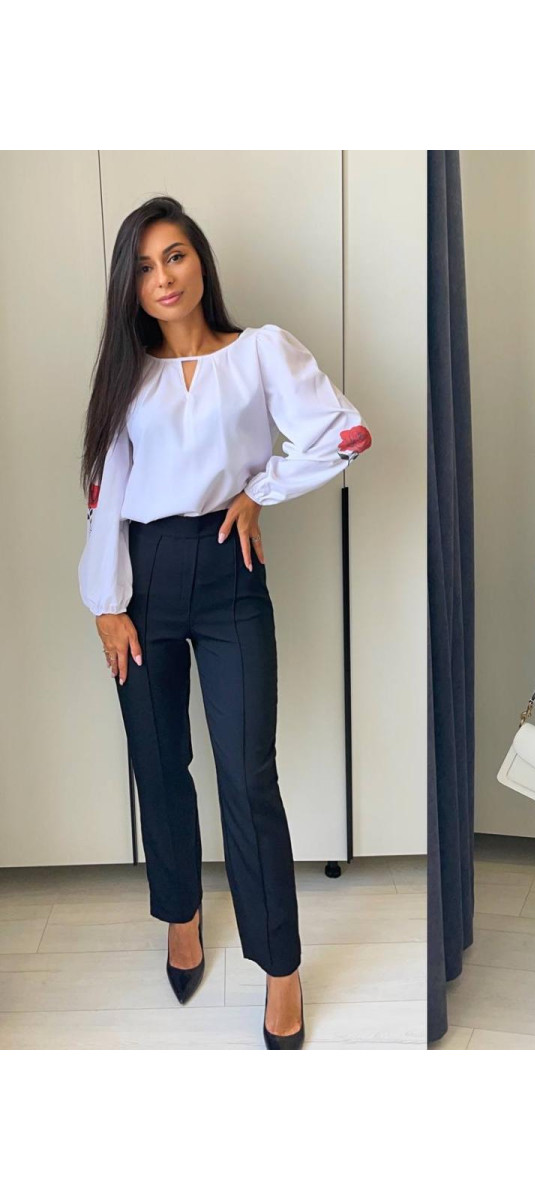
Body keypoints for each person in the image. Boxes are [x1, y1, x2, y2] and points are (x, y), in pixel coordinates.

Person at [78, 195, 372, 1050]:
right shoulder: (127, 375)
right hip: (144, 576)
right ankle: (181, 914)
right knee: (159, 761)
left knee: (247, 774)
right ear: (130, 287)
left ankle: (280, 966)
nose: (162, 278)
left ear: (200, 261)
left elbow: (346, 433)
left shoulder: (260, 352)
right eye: (143, 267)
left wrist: (260, 491)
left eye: (174, 255)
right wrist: (106, 604)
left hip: (229, 570)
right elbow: (106, 494)